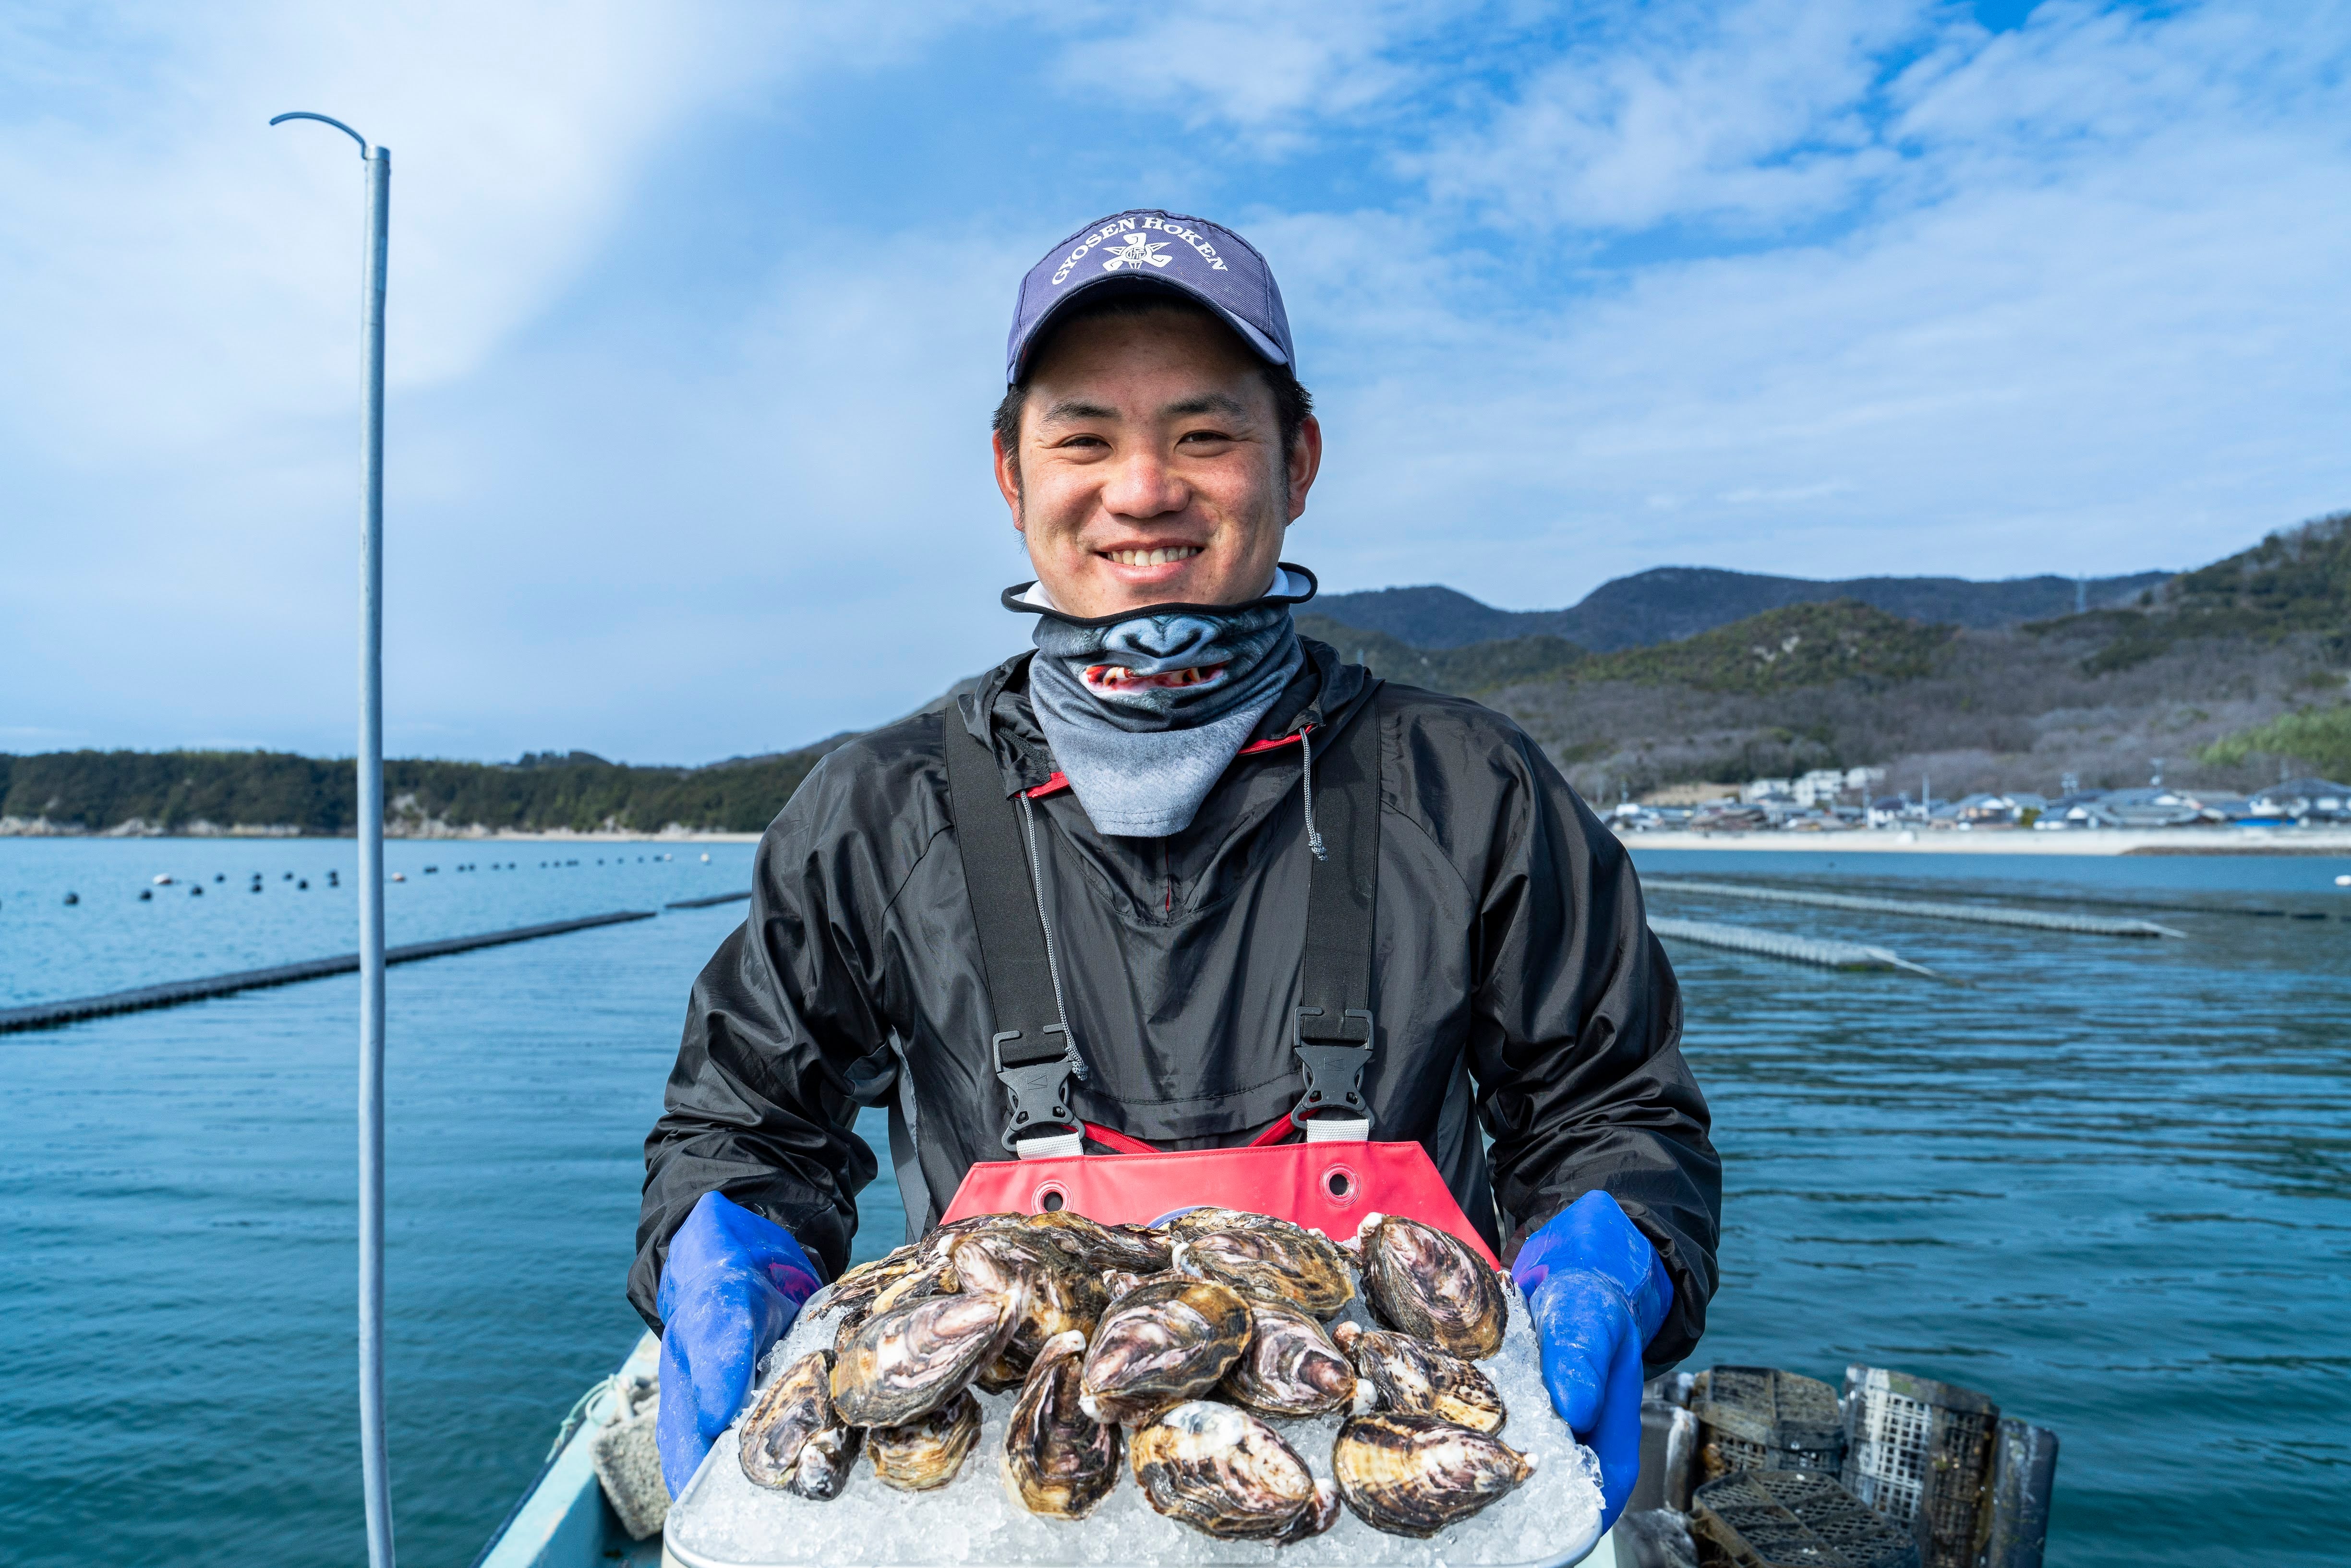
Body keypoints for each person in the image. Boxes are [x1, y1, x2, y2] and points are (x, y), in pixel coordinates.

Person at [630, 209, 1720, 1529]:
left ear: (1297, 458)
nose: (1142, 488)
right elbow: (745, 1126)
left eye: (1203, 435)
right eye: (1084, 437)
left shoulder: (1474, 789)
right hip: (1024, 1504)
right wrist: (723, 1240)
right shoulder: (875, 810)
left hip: (1366, 1485)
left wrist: (1613, 1248)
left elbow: (1607, 1107)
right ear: (1008, 471)